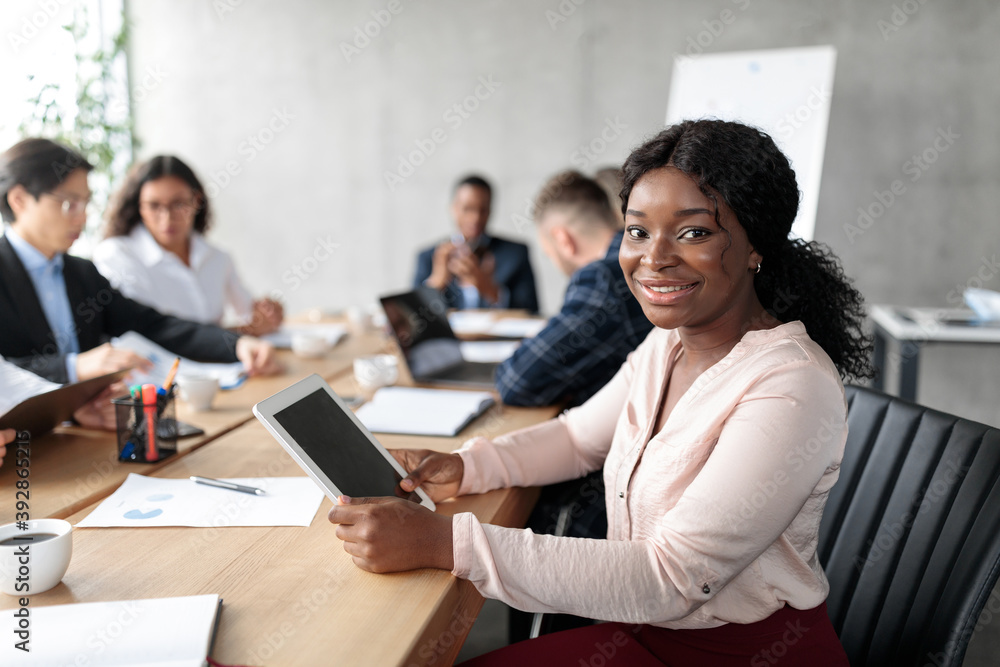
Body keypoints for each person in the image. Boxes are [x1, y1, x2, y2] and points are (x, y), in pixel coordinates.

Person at [329, 120, 874, 665]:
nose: (654, 258)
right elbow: (577, 438)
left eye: (693, 233)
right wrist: (466, 467)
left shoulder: (791, 385)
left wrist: (442, 542)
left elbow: (672, 576)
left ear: (756, 245)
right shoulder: (668, 344)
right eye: (637, 231)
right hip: (638, 626)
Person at [0, 138, 280, 384]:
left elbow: (155, 326)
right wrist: (73, 368)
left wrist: (237, 344)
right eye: (69, 204)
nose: (82, 217)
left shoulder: (81, 273)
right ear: (19, 200)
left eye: (86, 203)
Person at [495, 170, 652, 408]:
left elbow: (516, 382)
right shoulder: (643, 257)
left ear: (564, 241)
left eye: (549, 254)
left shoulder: (604, 279)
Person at [94, 155, 283, 336]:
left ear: (196, 201)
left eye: (178, 204)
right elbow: (149, 334)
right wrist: (242, 333)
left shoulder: (218, 258)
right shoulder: (117, 255)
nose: (167, 218)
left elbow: (250, 313)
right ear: (139, 207)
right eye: (154, 205)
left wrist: (267, 314)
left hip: (225, 367)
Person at [413, 174, 539, 313]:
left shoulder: (515, 254)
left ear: (490, 211)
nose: (476, 218)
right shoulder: (429, 256)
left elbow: (532, 312)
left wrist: (491, 291)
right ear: (453, 209)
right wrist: (436, 282)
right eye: (468, 209)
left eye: (483, 210)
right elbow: (412, 320)